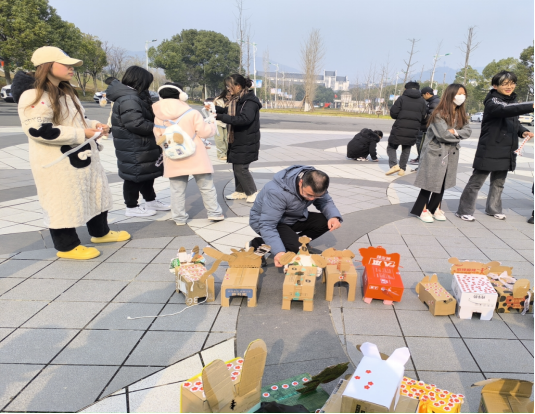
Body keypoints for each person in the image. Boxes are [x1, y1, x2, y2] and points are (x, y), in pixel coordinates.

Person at [11, 46, 130, 260]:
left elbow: (76, 121)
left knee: (96, 193)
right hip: (57, 162)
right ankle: (67, 246)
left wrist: (94, 125)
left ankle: (100, 232)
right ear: (47, 66)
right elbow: (38, 130)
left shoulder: (65, 91)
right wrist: (80, 133)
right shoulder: (33, 94)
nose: (71, 68)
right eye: (66, 64)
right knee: (62, 201)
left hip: (82, 156)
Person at [456, 71, 534, 222]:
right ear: (495, 85)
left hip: (507, 147)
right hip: (491, 146)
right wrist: (531, 105)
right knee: (477, 181)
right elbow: (504, 110)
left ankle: (493, 209)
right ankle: (464, 210)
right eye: (505, 84)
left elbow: (513, 122)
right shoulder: (493, 101)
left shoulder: (512, 100)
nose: (509, 87)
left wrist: (523, 131)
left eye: (512, 83)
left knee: (499, 182)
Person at [152, 82, 224, 225]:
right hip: (195, 155)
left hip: (173, 156)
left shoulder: (158, 116)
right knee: (206, 186)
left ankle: (179, 217)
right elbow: (205, 132)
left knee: (177, 190)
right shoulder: (192, 113)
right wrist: (212, 125)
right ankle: (214, 212)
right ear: (181, 96)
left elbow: (159, 137)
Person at [106, 66, 170, 217]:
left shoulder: (132, 95)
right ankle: (131, 206)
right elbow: (136, 124)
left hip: (140, 144)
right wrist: (159, 128)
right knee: (134, 177)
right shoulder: (129, 98)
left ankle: (150, 200)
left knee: (146, 174)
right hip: (134, 145)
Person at [249, 165, 342, 267]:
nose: (312, 199)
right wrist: (279, 252)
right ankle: (258, 243)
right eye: (308, 195)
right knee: (293, 247)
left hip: (293, 217)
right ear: (300, 182)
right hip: (268, 222)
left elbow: (325, 201)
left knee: (326, 221)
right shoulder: (277, 192)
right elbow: (267, 225)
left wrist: (333, 217)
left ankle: (295, 243)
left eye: (316, 196)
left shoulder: (316, 181)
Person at [411, 84, 472, 223]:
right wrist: (456, 134)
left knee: (443, 181)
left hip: (451, 152)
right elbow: (443, 135)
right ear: (451, 95)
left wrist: (455, 132)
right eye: (459, 93)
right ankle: (422, 209)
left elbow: (468, 131)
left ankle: (434, 208)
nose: (462, 97)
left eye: (464, 94)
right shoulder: (439, 113)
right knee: (430, 182)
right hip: (435, 152)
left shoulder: (461, 114)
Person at [214, 74, 262, 203]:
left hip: (247, 139)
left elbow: (244, 119)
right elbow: (228, 111)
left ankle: (252, 192)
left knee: (241, 168)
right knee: (237, 167)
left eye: (229, 86)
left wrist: (219, 117)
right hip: (238, 139)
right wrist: (214, 109)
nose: (228, 89)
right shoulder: (237, 100)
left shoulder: (250, 101)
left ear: (238, 86)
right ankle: (240, 192)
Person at [386, 81, 428, 176]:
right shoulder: (422, 101)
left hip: (399, 127)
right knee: (406, 148)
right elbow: (424, 117)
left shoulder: (401, 99)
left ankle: (394, 165)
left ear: (406, 89)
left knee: (391, 146)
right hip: (413, 129)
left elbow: (393, 113)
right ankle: (402, 169)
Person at [410, 86, 441, 166]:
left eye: (423, 95)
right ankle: (421, 160)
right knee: (421, 145)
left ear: (427, 94)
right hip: (426, 128)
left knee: (422, 145)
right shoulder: (433, 101)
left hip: (427, 129)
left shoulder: (434, 102)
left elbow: (431, 117)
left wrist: (422, 117)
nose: (422, 97)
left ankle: (422, 163)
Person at [213, 90, 230, 160]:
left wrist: (222, 110)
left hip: (227, 122)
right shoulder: (217, 100)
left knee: (227, 139)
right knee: (219, 139)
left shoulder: (234, 101)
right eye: (227, 95)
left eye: (230, 95)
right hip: (217, 122)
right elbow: (214, 109)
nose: (229, 97)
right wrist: (224, 110)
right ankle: (221, 154)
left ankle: (227, 153)